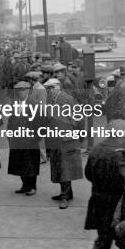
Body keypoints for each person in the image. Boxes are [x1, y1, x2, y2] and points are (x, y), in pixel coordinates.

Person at [85, 120, 125, 249]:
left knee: (102, 242)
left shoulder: (97, 149)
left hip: (99, 203)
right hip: (118, 205)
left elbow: (88, 174)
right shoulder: (123, 153)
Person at [45, 78, 83, 209]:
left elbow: (77, 118)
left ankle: (65, 196)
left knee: (64, 168)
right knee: (58, 166)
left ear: (57, 87)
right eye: (47, 88)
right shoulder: (50, 99)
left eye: (51, 88)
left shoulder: (68, 99)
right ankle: (67, 193)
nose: (48, 90)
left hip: (66, 138)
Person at [7, 81, 42, 196]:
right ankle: (24, 185)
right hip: (17, 138)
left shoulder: (35, 104)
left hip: (30, 139)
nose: (20, 92)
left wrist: (35, 138)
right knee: (19, 162)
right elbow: (11, 121)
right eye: (18, 90)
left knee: (30, 163)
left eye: (23, 90)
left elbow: (40, 124)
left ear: (28, 90)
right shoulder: (14, 104)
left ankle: (32, 187)